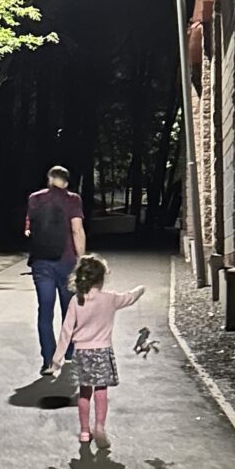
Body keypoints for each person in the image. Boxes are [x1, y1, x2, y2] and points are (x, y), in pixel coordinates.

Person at [52, 254, 144, 447]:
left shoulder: (77, 301)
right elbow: (130, 298)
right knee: (101, 390)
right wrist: (140, 290)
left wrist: (57, 358)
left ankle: (85, 432)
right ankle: (100, 426)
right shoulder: (110, 299)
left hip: (82, 353)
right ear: (102, 278)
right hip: (102, 351)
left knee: (84, 393)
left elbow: (66, 331)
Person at [25, 165, 86, 376]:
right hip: (67, 261)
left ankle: (48, 361)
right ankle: (68, 352)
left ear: (50, 179)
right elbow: (77, 231)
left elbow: (30, 228)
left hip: (41, 262)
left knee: (45, 310)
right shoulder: (73, 200)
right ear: (66, 182)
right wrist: (82, 260)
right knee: (69, 310)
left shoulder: (34, 198)